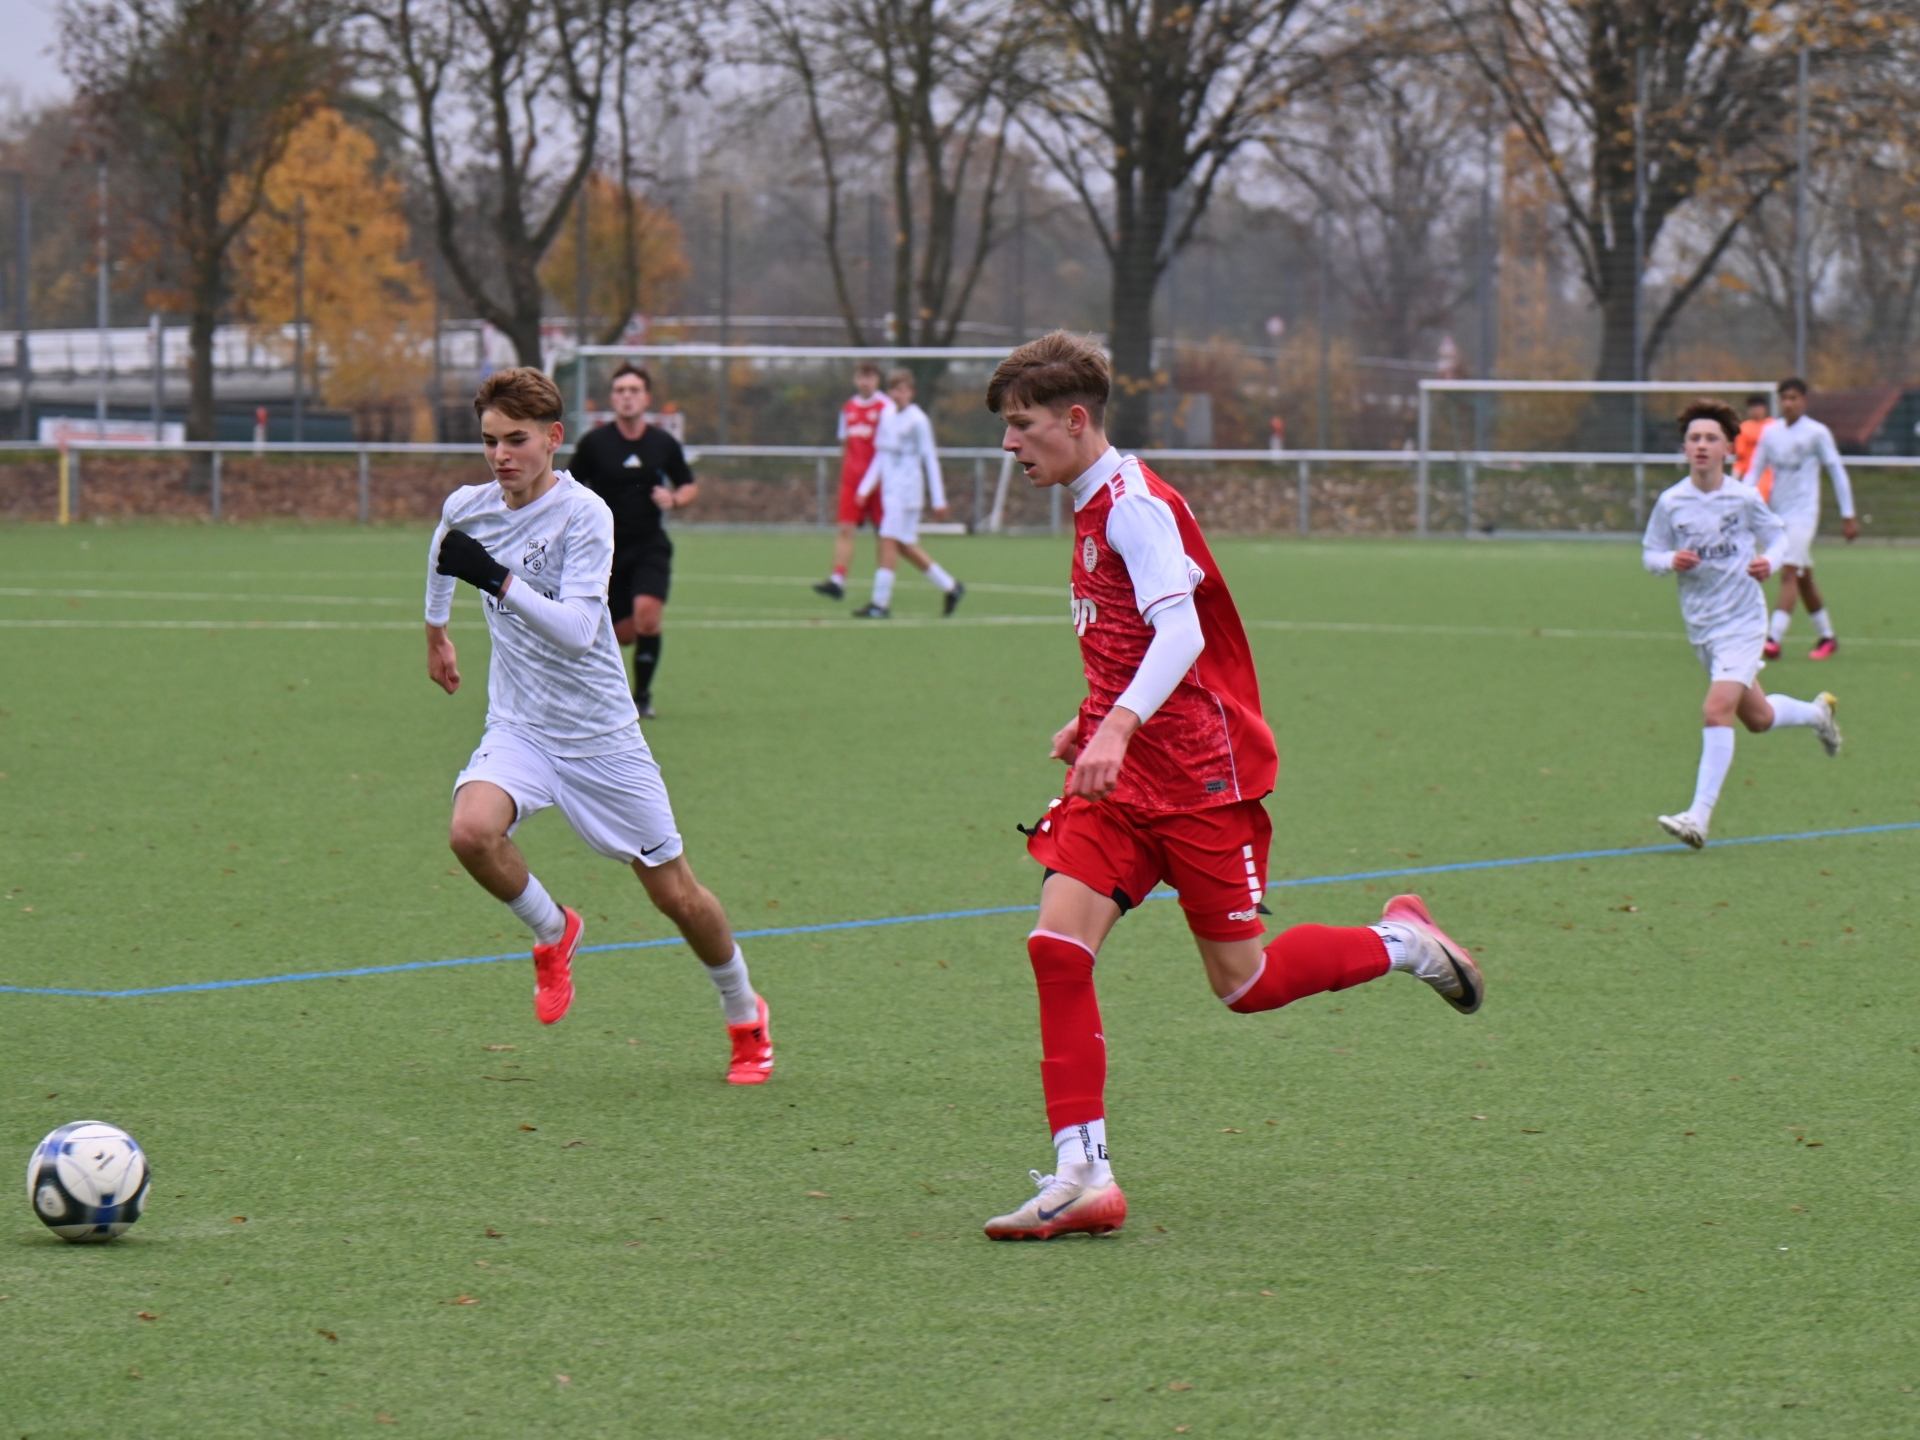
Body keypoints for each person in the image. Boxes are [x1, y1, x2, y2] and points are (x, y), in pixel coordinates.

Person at [978, 333, 1482, 1242]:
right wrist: (1091, 719)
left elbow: (1181, 635)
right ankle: (1082, 1174)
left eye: (1022, 424)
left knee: (1244, 985)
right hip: (1120, 787)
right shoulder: (1091, 499)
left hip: (1199, 782)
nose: (1010, 444)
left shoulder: (1133, 507)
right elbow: (1130, 639)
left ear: (1076, 420)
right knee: (1056, 947)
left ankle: (1402, 943)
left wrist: (1118, 724)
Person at [424, 366, 773, 1084]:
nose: (500, 456)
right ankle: (554, 929)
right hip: (520, 726)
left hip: (601, 737)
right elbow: (444, 549)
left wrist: (495, 579)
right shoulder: (470, 505)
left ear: (553, 438)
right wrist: (437, 633)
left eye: (516, 440)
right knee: (470, 832)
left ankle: (744, 1013)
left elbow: (581, 631)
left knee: (675, 895)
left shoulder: (585, 515)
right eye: (489, 441)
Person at [1642, 399, 1842, 851]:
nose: (1701, 445)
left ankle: (1698, 817)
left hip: (1744, 622)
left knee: (1716, 710)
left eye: (1711, 438)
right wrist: (1669, 560)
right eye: (1694, 438)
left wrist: (1769, 561)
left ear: (1728, 448)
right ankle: (1817, 714)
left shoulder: (1744, 498)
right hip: (1702, 627)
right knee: (1759, 717)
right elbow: (1649, 553)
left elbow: (1778, 536)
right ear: (1685, 447)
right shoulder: (1671, 502)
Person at [567, 363, 697, 718]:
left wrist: (675, 499)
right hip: (605, 550)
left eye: (634, 390)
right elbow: (567, 486)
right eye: (620, 391)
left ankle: (641, 697)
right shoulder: (595, 443)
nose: (627, 397)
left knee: (648, 617)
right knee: (624, 634)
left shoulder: (663, 443)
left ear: (647, 398)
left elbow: (688, 484)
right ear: (612, 398)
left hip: (649, 545)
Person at [1741, 378, 1860, 661]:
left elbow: (1836, 472)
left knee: (1789, 571)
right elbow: (1754, 470)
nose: (1788, 403)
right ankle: (1827, 637)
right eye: (1784, 398)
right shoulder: (1771, 433)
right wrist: (1738, 502)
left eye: (1793, 398)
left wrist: (1848, 514)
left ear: (1804, 401)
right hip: (1778, 513)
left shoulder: (1816, 433)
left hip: (1804, 514)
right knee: (1804, 577)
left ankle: (1773, 639)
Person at [851, 369, 964, 618]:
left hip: (907, 492)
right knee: (902, 544)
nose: (897, 394)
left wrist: (939, 499)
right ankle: (951, 587)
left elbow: (930, 459)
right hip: (891, 491)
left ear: (911, 392)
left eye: (902, 390)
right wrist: (865, 488)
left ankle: (880, 603)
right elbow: (881, 455)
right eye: (893, 389)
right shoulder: (886, 415)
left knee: (887, 539)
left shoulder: (918, 421)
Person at [813, 361, 892, 600]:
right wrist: (845, 472)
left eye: (870, 377)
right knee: (845, 528)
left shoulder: (885, 407)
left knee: (883, 533)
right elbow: (845, 445)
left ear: (877, 380)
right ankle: (837, 580)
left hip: (879, 482)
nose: (865, 382)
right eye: (861, 377)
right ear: (855, 379)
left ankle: (882, 585)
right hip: (851, 481)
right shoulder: (848, 408)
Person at [1732, 393, 1774, 501]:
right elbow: (1741, 457)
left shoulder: (1773, 426)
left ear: (1765, 408)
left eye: (1759, 407)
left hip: (1770, 471)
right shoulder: (1744, 428)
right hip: (1750, 471)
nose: (1756, 410)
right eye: (1753, 407)